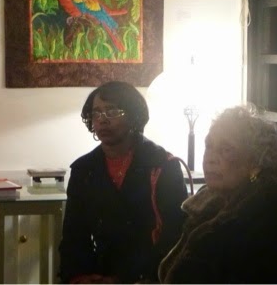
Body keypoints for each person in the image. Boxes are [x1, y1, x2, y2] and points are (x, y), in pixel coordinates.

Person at [158, 105, 277, 284]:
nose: (210, 158)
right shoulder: (208, 199)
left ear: (255, 161)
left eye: (226, 149)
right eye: (209, 146)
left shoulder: (270, 212)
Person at [59, 81, 188, 284]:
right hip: (100, 272)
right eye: (96, 113)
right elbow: (74, 235)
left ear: (133, 115)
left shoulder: (162, 165)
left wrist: (125, 279)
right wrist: (80, 277)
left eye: (112, 111)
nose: (102, 120)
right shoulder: (84, 169)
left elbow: (175, 234)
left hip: (152, 274)